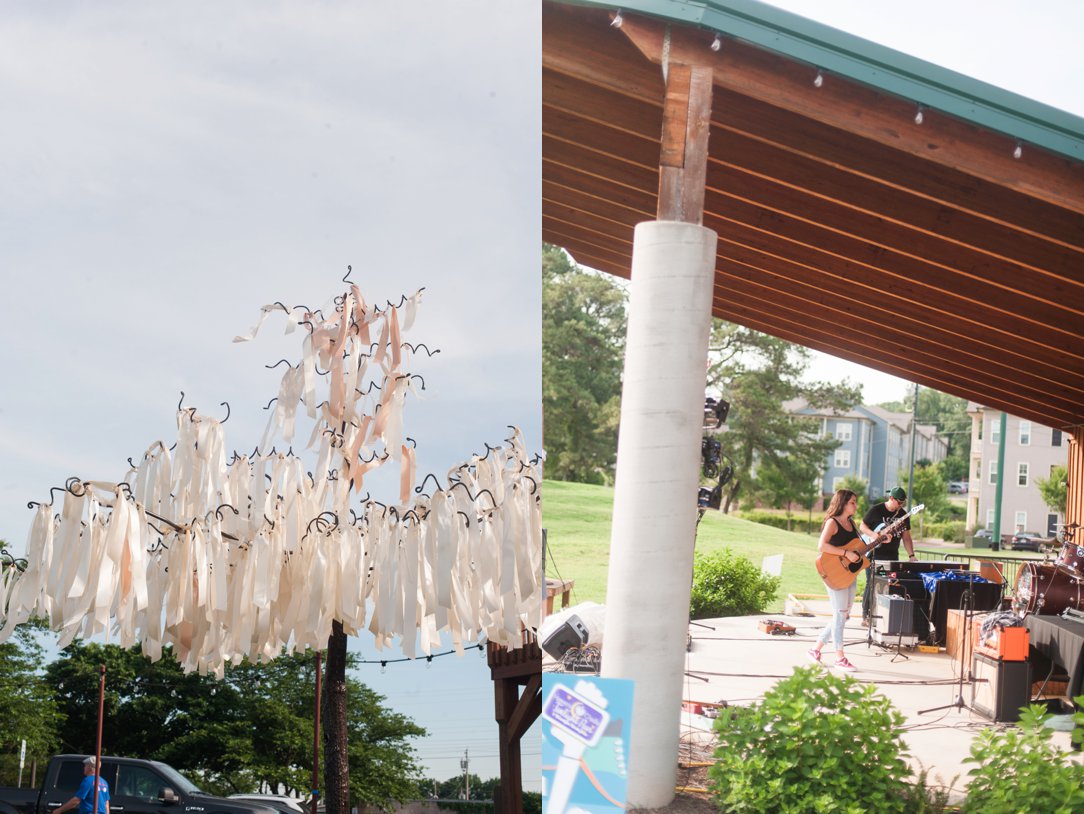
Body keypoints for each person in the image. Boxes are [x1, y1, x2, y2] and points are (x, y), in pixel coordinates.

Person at [808, 489, 862, 672]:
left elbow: (858, 547)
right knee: (839, 614)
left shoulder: (852, 523)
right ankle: (840, 658)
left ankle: (815, 650)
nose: (855, 505)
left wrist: (880, 539)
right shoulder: (833, 522)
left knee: (843, 616)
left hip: (849, 574)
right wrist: (845, 553)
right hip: (834, 573)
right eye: (852, 502)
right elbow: (821, 545)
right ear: (843, 503)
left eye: (855, 502)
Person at [860, 486, 916, 622]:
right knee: (872, 582)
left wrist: (911, 555)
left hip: (891, 556)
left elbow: (906, 537)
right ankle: (866, 615)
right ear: (891, 498)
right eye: (899, 502)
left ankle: (883, 615)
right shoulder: (876, 510)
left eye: (903, 502)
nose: (901, 505)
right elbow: (862, 526)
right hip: (874, 553)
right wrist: (874, 535)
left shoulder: (903, 515)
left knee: (889, 583)